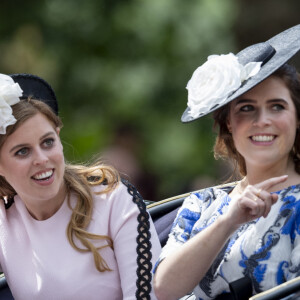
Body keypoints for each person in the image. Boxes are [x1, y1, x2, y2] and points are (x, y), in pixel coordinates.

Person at [153, 24, 300, 300]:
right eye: (247, 109)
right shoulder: (201, 204)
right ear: (229, 124)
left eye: (277, 106)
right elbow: (162, 289)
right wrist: (228, 221)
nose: (262, 120)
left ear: (297, 117)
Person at [0, 73, 161, 300]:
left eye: (47, 142)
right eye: (22, 151)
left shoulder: (113, 198)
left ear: (58, 136)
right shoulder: (4, 220)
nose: (42, 159)